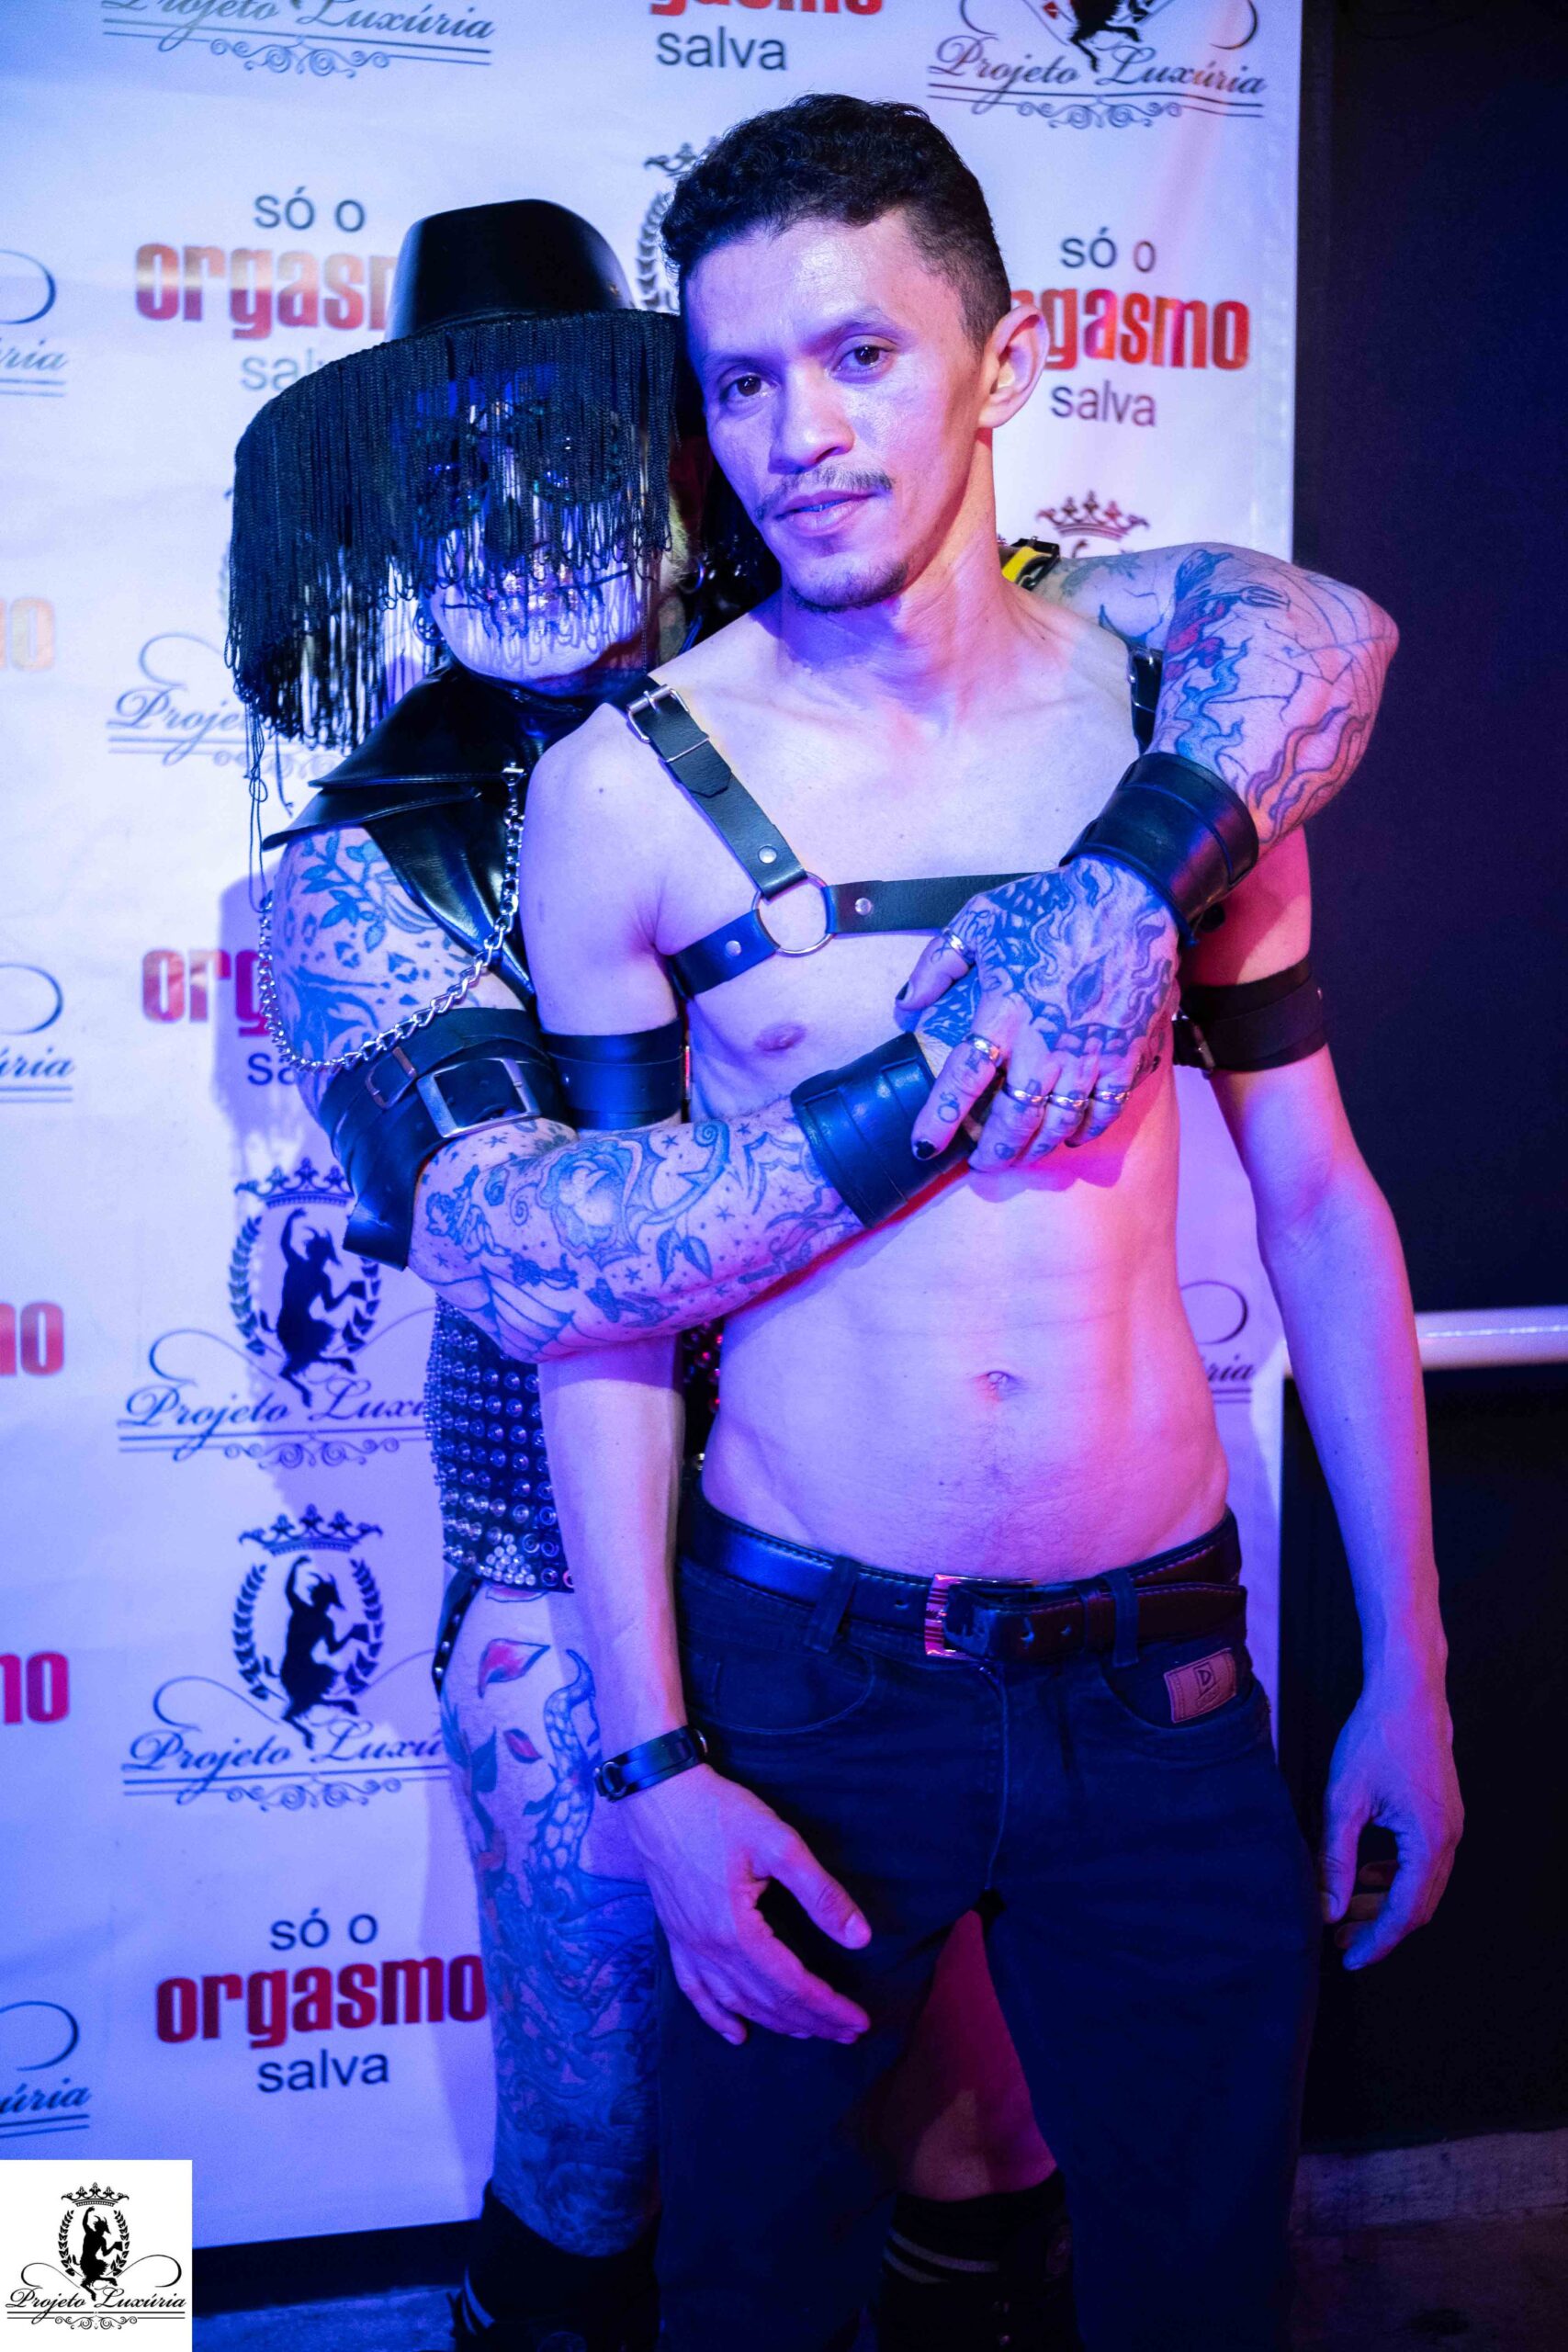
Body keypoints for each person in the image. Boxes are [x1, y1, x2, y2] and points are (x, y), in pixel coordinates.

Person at [231, 166, 1408, 2352]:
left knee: (996, 2150)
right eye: (456, 468)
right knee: (620, 2158)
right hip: (612, 1579)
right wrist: (982, 1029)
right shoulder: (394, 856)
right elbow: (545, 1252)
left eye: (571, 445)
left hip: (1046, 1608)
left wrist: (1118, 884)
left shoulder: (987, 634)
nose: (521, 514)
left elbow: (1307, 633)